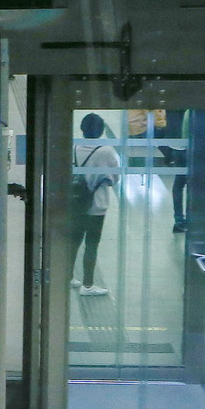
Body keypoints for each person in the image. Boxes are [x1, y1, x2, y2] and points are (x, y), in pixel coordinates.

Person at [70, 113, 120, 298]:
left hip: (76, 202)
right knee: (92, 244)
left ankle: (69, 277)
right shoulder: (106, 151)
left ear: (82, 129)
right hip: (96, 205)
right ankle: (88, 285)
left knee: (74, 241)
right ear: (101, 130)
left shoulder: (75, 147)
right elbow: (114, 178)